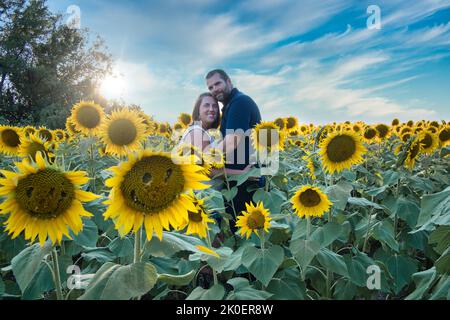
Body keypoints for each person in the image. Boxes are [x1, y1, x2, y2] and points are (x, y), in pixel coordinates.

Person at [205, 69, 262, 233]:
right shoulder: (231, 105)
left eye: (218, 83)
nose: (215, 89)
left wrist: (205, 160)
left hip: (246, 178)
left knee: (247, 231)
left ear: (229, 81)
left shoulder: (239, 102)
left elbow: (232, 141)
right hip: (238, 177)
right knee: (240, 229)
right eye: (210, 87)